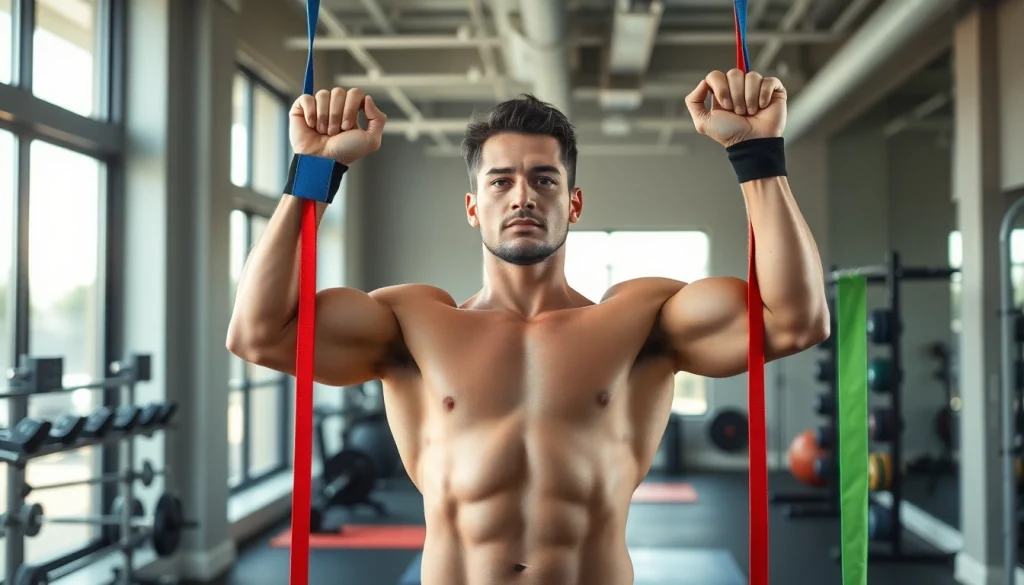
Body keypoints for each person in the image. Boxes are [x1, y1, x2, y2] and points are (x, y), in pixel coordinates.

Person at [227, 68, 829, 584]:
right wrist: (314, 172)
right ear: (473, 207)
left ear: (573, 203)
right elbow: (259, 333)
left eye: (544, 179)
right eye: (500, 181)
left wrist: (757, 155)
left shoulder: (639, 321)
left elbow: (795, 321)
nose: (523, 197)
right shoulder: (414, 324)